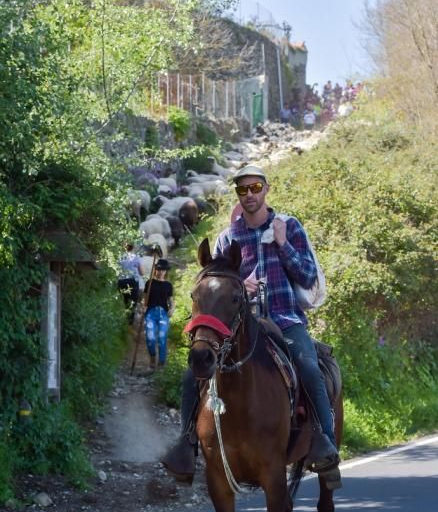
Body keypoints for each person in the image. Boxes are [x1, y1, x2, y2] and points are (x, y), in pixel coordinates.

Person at [162, 165, 341, 490]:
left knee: (308, 367)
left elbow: (307, 276)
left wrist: (284, 244)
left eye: (255, 187)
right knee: (193, 375)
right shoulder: (229, 237)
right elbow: (216, 281)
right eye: (242, 190)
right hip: (241, 327)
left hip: (285, 320)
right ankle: (188, 445)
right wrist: (238, 284)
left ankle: (324, 445)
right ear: (238, 195)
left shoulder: (289, 226)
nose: (249, 194)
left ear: (266, 189)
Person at [144, 258, 174, 369]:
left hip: (163, 314)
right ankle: (152, 357)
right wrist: (143, 307)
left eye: (163, 270)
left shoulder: (168, 285)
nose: (161, 272)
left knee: (162, 338)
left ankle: (161, 363)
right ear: (155, 269)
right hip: (150, 313)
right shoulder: (150, 283)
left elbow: (171, 300)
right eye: (159, 269)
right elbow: (145, 299)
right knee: (150, 337)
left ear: (166, 271)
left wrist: (172, 309)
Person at [117, 243, 145, 324]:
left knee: (125, 299)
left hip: (121, 281)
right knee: (133, 300)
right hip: (132, 281)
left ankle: (125, 318)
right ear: (133, 248)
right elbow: (142, 272)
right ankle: (130, 320)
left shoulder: (120, 257)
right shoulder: (136, 257)